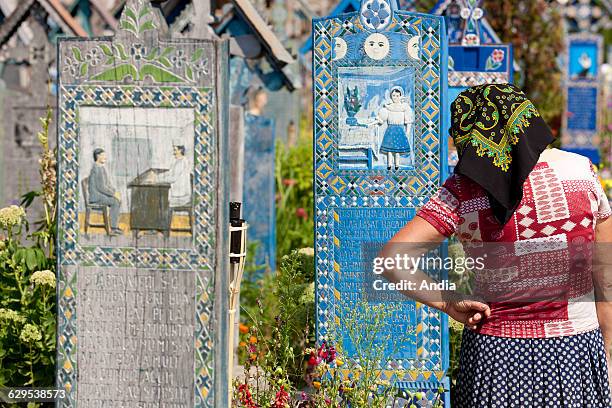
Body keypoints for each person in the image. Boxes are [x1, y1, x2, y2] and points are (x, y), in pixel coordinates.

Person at [379, 84, 612, 406]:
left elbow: (392, 259)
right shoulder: (581, 172)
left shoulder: (461, 191)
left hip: (495, 356)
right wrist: (608, 347)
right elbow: (606, 272)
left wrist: (448, 303)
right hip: (573, 349)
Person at [376, 86, 413, 170]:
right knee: (389, 149)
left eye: (397, 96)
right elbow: (383, 117)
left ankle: (397, 165)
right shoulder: (388, 107)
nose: (395, 97)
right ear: (391, 96)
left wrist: (407, 132)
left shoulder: (404, 107)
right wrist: (379, 119)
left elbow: (408, 121)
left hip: (399, 130)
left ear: (400, 96)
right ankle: (389, 165)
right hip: (390, 129)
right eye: (393, 96)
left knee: (397, 150)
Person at [88, 148, 122, 235]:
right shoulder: (96, 168)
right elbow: (101, 187)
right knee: (115, 202)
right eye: (103, 155)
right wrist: (114, 195)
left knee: (116, 199)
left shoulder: (101, 167)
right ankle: (113, 228)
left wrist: (115, 192)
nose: (105, 157)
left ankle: (114, 226)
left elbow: (107, 184)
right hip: (96, 196)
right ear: (98, 156)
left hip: (100, 194)